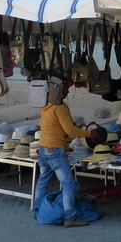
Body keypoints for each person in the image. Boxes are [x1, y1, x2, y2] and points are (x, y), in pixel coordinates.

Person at [34, 84, 101, 227]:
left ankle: (37, 209)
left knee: (43, 180)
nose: (68, 91)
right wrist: (90, 134)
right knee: (68, 184)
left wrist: (70, 127)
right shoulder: (60, 107)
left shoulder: (46, 106)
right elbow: (70, 130)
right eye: (65, 89)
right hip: (55, 150)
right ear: (59, 92)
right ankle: (70, 218)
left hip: (43, 147)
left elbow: (57, 127)